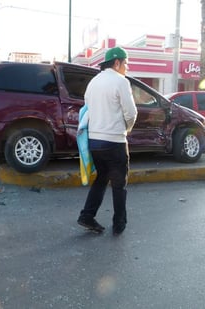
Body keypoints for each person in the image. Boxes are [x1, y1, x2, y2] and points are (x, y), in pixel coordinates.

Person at [77, 46, 138, 235]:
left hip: (95, 142)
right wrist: (126, 129)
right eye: (126, 63)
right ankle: (119, 224)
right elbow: (131, 112)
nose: (127, 67)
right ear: (117, 62)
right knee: (119, 184)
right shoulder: (120, 81)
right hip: (114, 142)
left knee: (102, 179)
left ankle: (87, 216)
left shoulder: (93, 83)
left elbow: (87, 109)